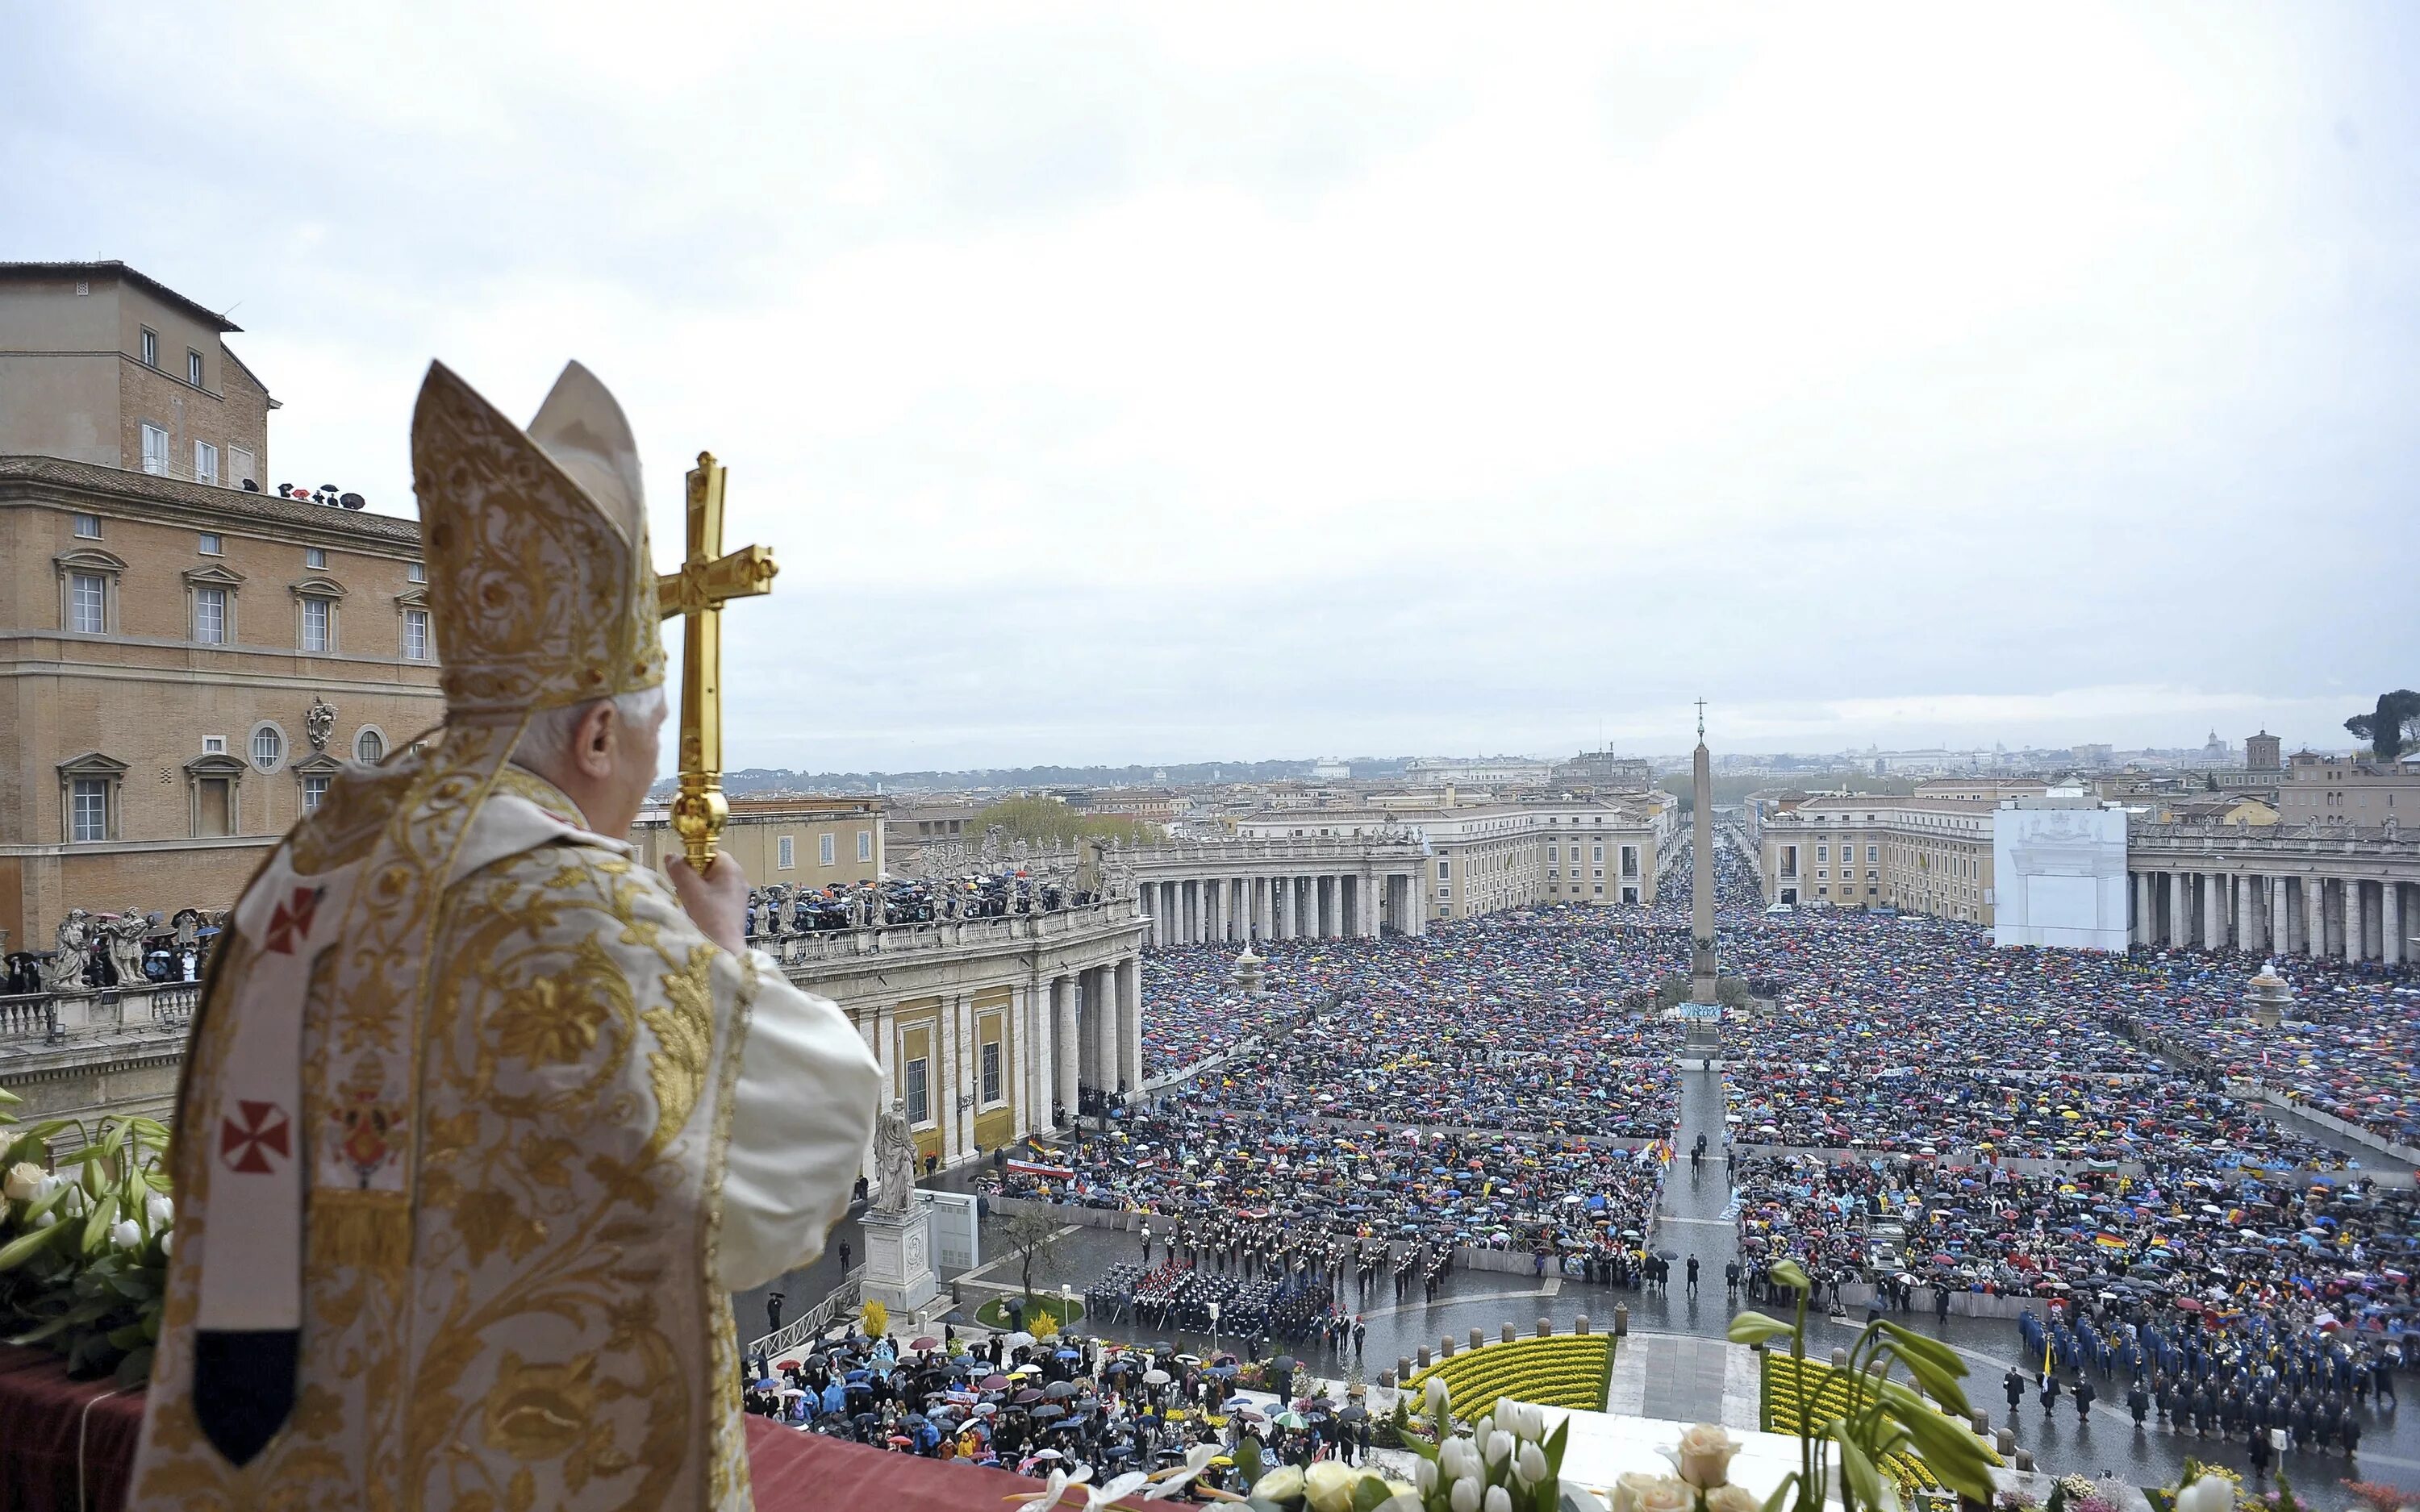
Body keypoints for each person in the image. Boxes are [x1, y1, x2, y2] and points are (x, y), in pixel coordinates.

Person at [125, 361, 882, 1510]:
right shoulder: (573, 906)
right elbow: (798, 1162)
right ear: (593, 739)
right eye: (647, 738)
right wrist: (725, 959)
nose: (642, 769)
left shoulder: (309, 866)